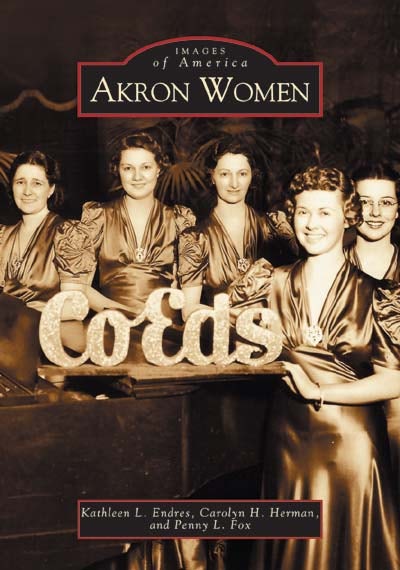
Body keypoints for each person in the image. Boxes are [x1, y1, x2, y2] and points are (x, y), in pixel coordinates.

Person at [260, 166, 400, 569]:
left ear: (348, 216)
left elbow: (394, 380)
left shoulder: (378, 295)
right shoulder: (268, 282)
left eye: (325, 212)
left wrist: (319, 391)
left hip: (352, 450)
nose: (312, 223)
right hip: (286, 445)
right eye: (303, 212)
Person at [55, 131, 195, 317]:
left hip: (166, 328)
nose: (137, 176)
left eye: (146, 167)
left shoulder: (179, 220)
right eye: (128, 168)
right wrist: (125, 316)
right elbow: (81, 288)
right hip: (113, 325)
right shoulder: (98, 217)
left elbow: (183, 290)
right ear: (117, 170)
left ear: (158, 169)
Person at [345, 162, 400, 505]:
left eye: (386, 202)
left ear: (398, 209)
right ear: (351, 209)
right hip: (344, 410)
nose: (376, 213)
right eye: (365, 202)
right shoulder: (330, 267)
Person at [178, 135, 275, 321]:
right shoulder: (195, 238)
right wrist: (240, 318)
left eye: (242, 174)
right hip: (220, 334)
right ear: (212, 176)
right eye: (225, 174)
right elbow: (188, 310)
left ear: (252, 176)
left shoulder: (273, 228)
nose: (234, 183)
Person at [0, 150, 64, 311]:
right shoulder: (2, 235)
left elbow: (76, 305)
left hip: (50, 325)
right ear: (11, 186)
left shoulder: (66, 234)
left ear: (51, 189)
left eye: (37, 183)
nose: (27, 191)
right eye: (20, 182)